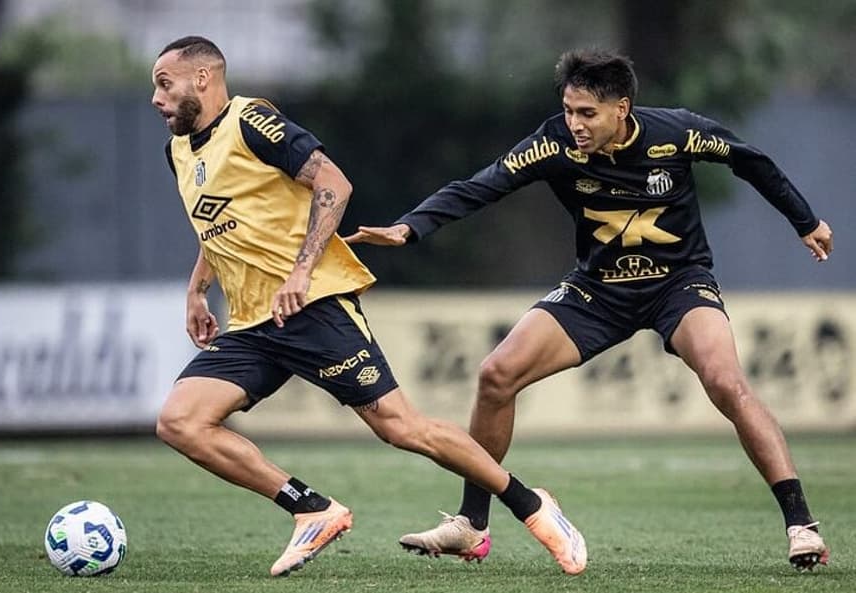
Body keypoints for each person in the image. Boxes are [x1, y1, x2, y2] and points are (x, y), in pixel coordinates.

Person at [345, 48, 833, 571]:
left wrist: (805, 221)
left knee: (726, 382)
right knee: (496, 375)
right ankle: (471, 525)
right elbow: (481, 186)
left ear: (622, 109)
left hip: (678, 283)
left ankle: (801, 526)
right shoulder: (553, 142)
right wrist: (410, 226)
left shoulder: (677, 132)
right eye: (569, 110)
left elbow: (750, 160)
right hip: (597, 290)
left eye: (587, 113)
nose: (573, 124)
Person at [149, 35, 587, 577]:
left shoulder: (251, 122)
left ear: (203, 79)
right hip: (254, 322)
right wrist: (197, 288)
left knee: (403, 429)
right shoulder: (177, 151)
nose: (156, 98)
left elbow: (333, 182)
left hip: (313, 306)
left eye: (164, 84)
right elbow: (217, 222)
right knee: (180, 421)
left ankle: (534, 506)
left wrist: (302, 270)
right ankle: (312, 509)